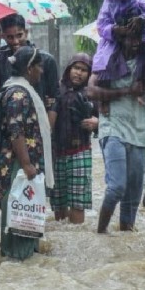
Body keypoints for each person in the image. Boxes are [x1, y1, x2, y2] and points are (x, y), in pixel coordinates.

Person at [87, 26, 145, 234]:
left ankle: (125, 236)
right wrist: (127, 91)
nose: (135, 42)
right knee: (117, 186)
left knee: (133, 195)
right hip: (113, 128)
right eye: (130, 38)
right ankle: (101, 233)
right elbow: (91, 91)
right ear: (120, 38)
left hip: (140, 131)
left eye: (138, 37)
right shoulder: (107, 59)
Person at [0, 46, 54, 260]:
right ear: (29, 68)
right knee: (20, 217)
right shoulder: (19, 94)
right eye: (39, 66)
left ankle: (20, 261)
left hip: (20, 164)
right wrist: (27, 164)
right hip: (18, 165)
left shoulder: (18, 90)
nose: (42, 71)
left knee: (24, 217)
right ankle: (17, 260)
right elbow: (16, 130)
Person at [93, 0, 145, 116]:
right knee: (105, 61)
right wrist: (115, 29)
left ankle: (142, 85)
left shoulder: (137, 0)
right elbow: (101, 26)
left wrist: (141, 19)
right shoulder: (107, 5)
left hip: (138, 36)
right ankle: (103, 101)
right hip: (114, 41)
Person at [51, 53, 98, 224]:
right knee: (59, 203)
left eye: (84, 70)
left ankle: (76, 231)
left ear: (89, 74)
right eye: (76, 68)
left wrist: (97, 122)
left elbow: (107, 118)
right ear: (69, 69)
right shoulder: (57, 90)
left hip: (80, 151)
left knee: (78, 203)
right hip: (57, 152)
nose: (79, 73)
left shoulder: (92, 93)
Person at [0, 14, 58, 125]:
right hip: (9, 121)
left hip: (39, 120)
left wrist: (48, 127)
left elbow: (54, 97)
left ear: (26, 33)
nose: (15, 41)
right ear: (3, 36)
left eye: (19, 35)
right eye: (10, 37)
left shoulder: (46, 60)